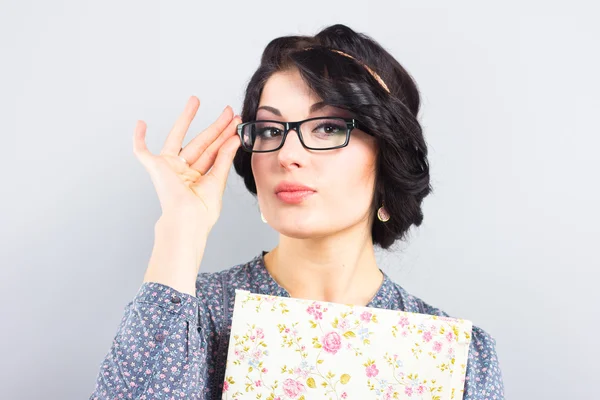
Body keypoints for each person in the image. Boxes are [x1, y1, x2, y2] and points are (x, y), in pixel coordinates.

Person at [90, 24, 504, 400]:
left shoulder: (459, 360)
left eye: (327, 127)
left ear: (387, 156)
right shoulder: (189, 318)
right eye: (270, 130)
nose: (287, 155)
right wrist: (180, 229)